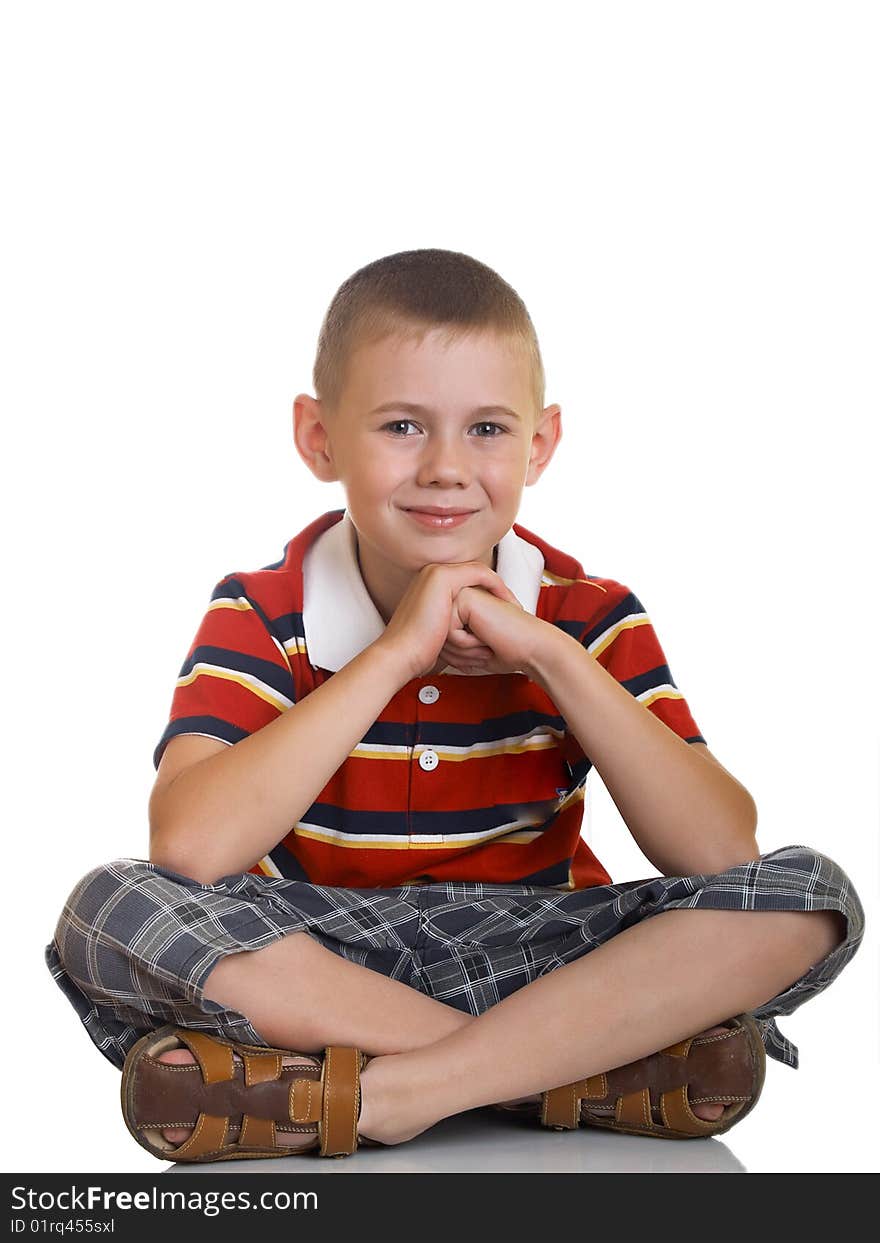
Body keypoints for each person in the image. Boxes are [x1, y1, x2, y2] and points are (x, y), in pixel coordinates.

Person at [46, 248, 864, 1162]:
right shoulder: (264, 609)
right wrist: (395, 654)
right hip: (321, 956)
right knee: (108, 906)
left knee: (811, 894)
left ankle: (387, 1089)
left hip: (545, 952)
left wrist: (552, 658)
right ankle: (579, 1074)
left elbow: (721, 853)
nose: (445, 468)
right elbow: (190, 850)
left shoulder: (586, 615)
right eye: (402, 425)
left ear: (539, 445)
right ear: (319, 438)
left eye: (486, 430)